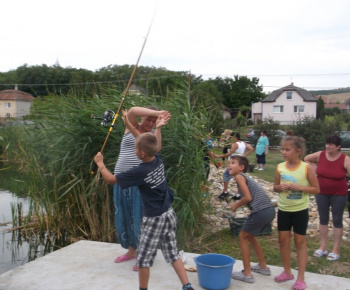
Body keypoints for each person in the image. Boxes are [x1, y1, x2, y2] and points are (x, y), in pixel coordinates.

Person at [94, 122, 194, 290]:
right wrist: (158, 128)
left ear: (141, 153)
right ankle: (187, 286)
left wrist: (100, 163)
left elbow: (111, 179)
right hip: (168, 213)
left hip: (154, 218)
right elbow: (155, 144)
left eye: (135, 149)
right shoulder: (158, 160)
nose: (134, 151)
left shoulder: (140, 172)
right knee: (172, 253)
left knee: (143, 260)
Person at [111, 106, 171, 271]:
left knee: (140, 220)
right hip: (120, 181)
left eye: (153, 121)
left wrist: (158, 125)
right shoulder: (130, 127)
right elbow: (132, 111)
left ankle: (144, 255)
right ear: (142, 118)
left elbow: (157, 148)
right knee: (124, 217)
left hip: (139, 184)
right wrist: (159, 113)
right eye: (148, 119)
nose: (150, 123)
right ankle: (131, 251)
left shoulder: (151, 136)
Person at [273, 136, 319, 290]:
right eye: (282, 149)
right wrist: (280, 188)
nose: (283, 152)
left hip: (300, 211)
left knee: (300, 243)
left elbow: (316, 188)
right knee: (283, 242)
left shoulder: (306, 168)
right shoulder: (280, 167)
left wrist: (300, 188)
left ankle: (301, 278)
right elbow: (275, 187)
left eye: (287, 149)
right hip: (284, 210)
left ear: (298, 151)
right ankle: (287, 272)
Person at [229, 155, 275, 284]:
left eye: (233, 162)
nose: (229, 165)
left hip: (260, 211)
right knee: (250, 236)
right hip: (269, 210)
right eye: (229, 163)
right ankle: (263, 266)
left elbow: (248, 198)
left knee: (243, 236)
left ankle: (247, 273)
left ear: (241, 167)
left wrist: (235, 205)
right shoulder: (245, 177)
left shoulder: (239, 177)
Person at [304, 135, 350, 261]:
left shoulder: (345, 159)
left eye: (331, 144)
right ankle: (322, 247)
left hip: (339, 194)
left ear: (338, 147)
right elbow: (307, 159)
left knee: (337, 220)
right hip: (321, 192)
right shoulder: (321, 155)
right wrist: (316, 170)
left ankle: (336, 250)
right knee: (323, 219)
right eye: (327, 143)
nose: (328, 146)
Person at [214, 132, 254, 200]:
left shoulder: (235, 144)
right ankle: (238, 194)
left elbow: (229, 154)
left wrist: (217, 156)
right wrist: (244, 155)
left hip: (235, 163)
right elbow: (251, 149)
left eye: (231, 138)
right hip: (240, 163)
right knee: (239, 178)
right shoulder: (243, 143)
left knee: (226, 175)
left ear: (235, 138)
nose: (230, 139)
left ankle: (225, 192)